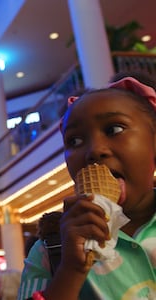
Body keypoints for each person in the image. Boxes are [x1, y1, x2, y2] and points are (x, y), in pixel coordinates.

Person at [18, 73, 156, 299]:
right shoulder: (50, 250)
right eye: (75, 141)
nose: (94, 150)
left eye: (114, 130)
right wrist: (70, 270)